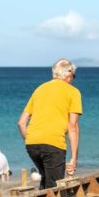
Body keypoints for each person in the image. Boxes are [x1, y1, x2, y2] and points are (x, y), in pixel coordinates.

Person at [17, 58, 82, 189]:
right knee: (55, 187)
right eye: (73, 76)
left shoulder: (39, 89)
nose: (73, 79)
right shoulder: (73, 92)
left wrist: (29, 138)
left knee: (46, 179)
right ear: (69, 75)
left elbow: (21, 123)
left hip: (32, 144)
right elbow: (73, 126)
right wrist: (74, 159)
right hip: (54, 144)